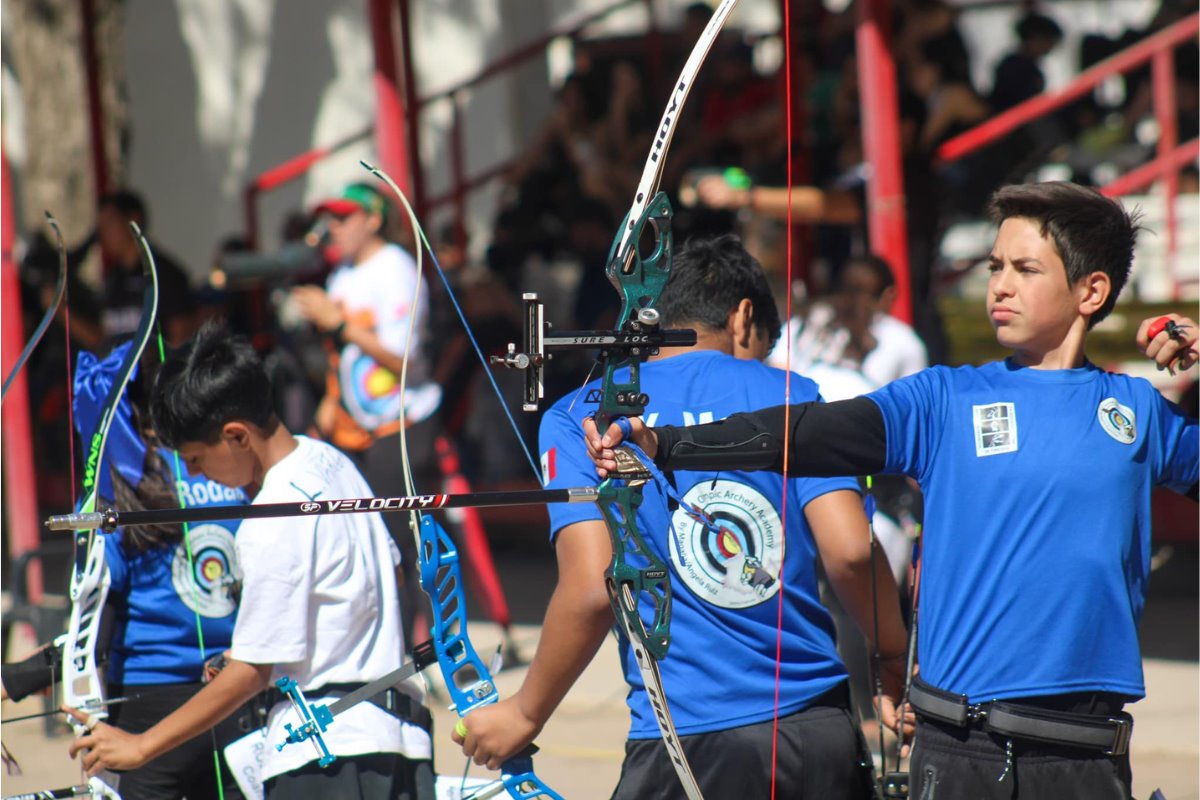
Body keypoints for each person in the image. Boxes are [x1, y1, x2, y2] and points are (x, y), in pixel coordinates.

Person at [587, 182, 1199, 800]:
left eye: (1025, 269)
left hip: (1084, 753)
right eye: (994, 267)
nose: (1000, 285)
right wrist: (664, 442)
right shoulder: (943, 399)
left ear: (1091, 291)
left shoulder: (1137, 413)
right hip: (960, 748)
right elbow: (812, 432)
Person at [451, 235, 910, 798]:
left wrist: (524, 713)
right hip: (813, 732)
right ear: (745, 319)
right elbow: (851, 550)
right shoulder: (797, 393)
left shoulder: (580, 415)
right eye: (765, 344)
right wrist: (893, 655)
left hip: (683, 741)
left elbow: (594, 585)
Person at [67, 324, 434, 800]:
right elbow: (388, 577)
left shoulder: (273, 515)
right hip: (396, 743)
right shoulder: (330, 460)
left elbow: (252, 673)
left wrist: (141, 746)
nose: (196, 474)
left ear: (236, 435)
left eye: (197, 458)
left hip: (327, 762)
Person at [4, 343, 253, 800]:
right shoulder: (226, 474)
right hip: (236, 695)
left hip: (147, 712)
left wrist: (12, 680)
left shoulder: (118, 497)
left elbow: (92, 630)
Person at [291, 182, 441, 644]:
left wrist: (337, 323)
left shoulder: (395, 269)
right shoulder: (342, 276)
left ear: (373, 219)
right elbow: (343, 363)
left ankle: (419, 651)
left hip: (400, 425)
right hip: (354, 429)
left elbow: (404, 359)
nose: (332, 228)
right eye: (329, 219)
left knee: (401, 544)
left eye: (343, 217)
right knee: (362, 544)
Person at [767, 255, 928, 388]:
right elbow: (777, 375)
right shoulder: (807, 324)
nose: (852, 300)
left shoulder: (904, 342)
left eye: (861, 291)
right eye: (847, 289)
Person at [95, 190, 196, 348]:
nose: (103, 233)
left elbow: (181, 337)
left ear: (133, 220)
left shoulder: (165, 275)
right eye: (101, 226)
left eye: (110, 222)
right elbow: (102, 339)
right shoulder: (112, 280)